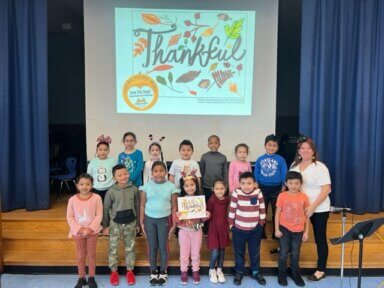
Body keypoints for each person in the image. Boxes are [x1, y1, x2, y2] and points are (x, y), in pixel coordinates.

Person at [290, 136, 332, 282]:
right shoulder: (294, 166)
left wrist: (313, 207)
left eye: (308, 148)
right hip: (299, 208)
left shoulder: (320, 167)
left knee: (320, 239)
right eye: (302, 148)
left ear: (313, 151)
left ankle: (321, 270)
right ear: (299, 151)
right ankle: (294, 268)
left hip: (319, 208)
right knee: (295, 238)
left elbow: (326, 189)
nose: (305, 150)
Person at [140, 161, 180, 286]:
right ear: (152, 173)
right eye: (155, 171)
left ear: (166, 172)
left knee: (163, 247)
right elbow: (142, 205)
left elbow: (174, 207)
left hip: (164, 220)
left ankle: (163, 271)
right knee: (152, 246)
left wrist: (174, 224)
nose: (159, 173)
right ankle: (153, 271)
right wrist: (141, 221)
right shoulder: (146, 187)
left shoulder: (172, 187)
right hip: (149, 220)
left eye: (161, 170)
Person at [102, 164, 140, 286]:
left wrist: (138, 223)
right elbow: (106, 208)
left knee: (130, 248)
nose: (123, 176)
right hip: (115, 225)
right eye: (119, 175)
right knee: (113, 249)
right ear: (114, 177)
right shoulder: (110, 192)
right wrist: (105, 226)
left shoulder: (134, 189)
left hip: (131, 223)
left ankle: (130, 271)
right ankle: (114, 272)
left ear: (128, 174)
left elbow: (137, 206)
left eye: (125, 174)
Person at [228, 171, 266, 286]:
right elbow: (232, 209)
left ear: (255, 183)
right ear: (239, 184)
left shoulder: (258, 192)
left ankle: (255, 272)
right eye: (243, 183)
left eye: (249, 183)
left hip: (255, 229)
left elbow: (262, 208)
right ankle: (239, 272)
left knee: (254, 252)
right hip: (238, 229)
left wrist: (261, 223)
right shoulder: (236, 192)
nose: (246, 186)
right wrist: (231, 225)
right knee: (239, 252)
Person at [67, 173, 103, 288]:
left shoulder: (96, 198)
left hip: (93, 232)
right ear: (77, 185)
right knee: (80, 255)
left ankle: (91, 277)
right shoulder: (72, 200)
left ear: (92, 185)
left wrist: (90, 228)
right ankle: (81, 277)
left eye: (88, 184)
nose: (84, 186)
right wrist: (79, 229)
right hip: (78, 233)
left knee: (91, 254)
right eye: (81, 184)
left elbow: (99, 215)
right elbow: (70, 217)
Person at [173, 176, 210, 285]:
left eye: (192, 185)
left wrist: (206, 215)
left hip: (196, 231)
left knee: (195, 253)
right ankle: (184, 271)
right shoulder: (181, 201)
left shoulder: (200, 200)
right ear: (183, 187)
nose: (190, 188)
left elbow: (202, 217)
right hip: (184, 231)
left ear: (196, 186)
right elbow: (176, 219)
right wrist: (178, 216)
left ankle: (195, 271)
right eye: (187, 186)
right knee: (184, 253)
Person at [275, 171, 309, 287]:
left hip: (298, 230)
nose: (294, 186)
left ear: (301, 184)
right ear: (286, 183)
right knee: (283, 253)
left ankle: (295, 273)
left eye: (296, 183)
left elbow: (306, 215)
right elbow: (277, 213)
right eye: (291, 183)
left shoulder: (304, 197)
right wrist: (276, 229)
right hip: (284, 228)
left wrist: (306, 231)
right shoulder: (282, 195)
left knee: (295, 253)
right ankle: (282, 273)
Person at [254, 134, 287, 238]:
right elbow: (256, 173)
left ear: (277, 147)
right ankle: (261, 232)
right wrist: (256, 184)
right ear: (265, 146)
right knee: (261, 212)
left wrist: (284, 185)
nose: (271, 147)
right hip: (262, 189)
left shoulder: (281, 159)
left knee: (276, 213)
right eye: (269, 145)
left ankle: (275, 232)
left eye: (274, 145)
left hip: (277, 190)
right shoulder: (260, 159)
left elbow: (284, 173)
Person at [207, 179, 229, 284]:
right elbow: (208, 214)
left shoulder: (227, 200)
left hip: (223, 228)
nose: (219, 191)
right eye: (217, 189)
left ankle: (219, 270)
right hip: (213, 228)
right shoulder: (212, 200)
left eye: (222, 188)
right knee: (215, 251)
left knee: (222, 250)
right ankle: (211, 269)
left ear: (225, 189)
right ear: (213, 189)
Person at [87, 136, 115, 203]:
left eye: (105, 150)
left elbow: (116, 173)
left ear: (108, 151)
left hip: (110, 188)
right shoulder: (92, 162)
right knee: (98, 206)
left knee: (109, 207)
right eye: (100, 149)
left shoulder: (113, 160)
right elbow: (89, 175)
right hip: (96, 189)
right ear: (97, 151)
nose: (103, 152)